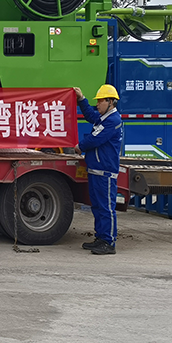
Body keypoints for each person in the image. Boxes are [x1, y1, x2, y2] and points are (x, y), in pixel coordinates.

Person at [73, 84, 123, 255]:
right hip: (96, 170)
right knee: (97, 207)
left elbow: (95, 139)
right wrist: (81, 99)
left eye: (101, 101)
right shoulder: (103, 118)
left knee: (106, 208)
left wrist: (80, 146)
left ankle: (109, 242)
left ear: (111, 102)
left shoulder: (113, 121)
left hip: (105, 172)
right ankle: (101, 238)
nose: (98, 104)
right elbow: (90, 115)